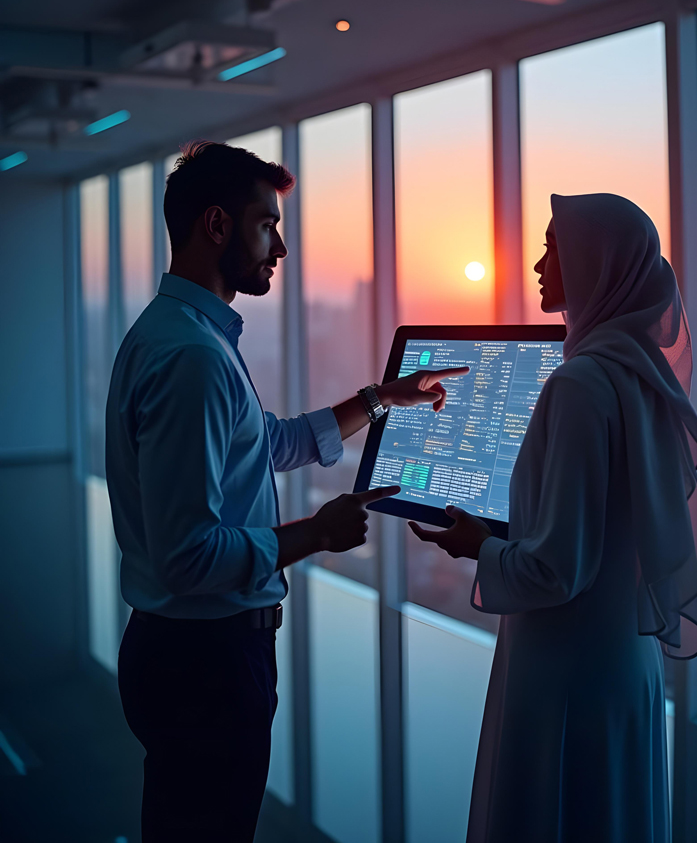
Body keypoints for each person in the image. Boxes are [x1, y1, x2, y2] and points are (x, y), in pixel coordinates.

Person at [106, 140, 467, 843]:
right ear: (217, 226)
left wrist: (380, 400)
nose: (281, 245)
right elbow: (189, 557)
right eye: (267, 223)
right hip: (204, 663)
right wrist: (318, 533)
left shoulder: (178, 334)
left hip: (182, 655)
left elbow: (266, 444)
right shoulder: (192, 359)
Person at [409, 192, 697, 843]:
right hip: (623, 663)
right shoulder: (641, 375)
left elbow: (555, 569)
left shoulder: (578, 384)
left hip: (566, 673)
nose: (541, 262)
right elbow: (602, 534)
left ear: (599, 265)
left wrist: (477, 545)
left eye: (557, 246)